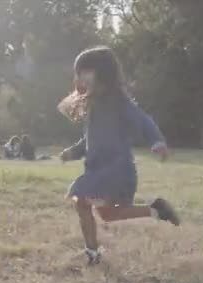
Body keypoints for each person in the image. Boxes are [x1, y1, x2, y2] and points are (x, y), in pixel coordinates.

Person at [58, 46, 180, 265]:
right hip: (99, 170)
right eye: (78, 73)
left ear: (101, 73)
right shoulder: (93, 105)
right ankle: (156, 210)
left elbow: (143, 120)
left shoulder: (118, 101)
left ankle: (92, 254)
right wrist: (73, 152)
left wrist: (157, 141)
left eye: (84, 72)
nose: (80, 77)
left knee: (81, 199)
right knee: (107, 214)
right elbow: (89, 140)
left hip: (116, 170)